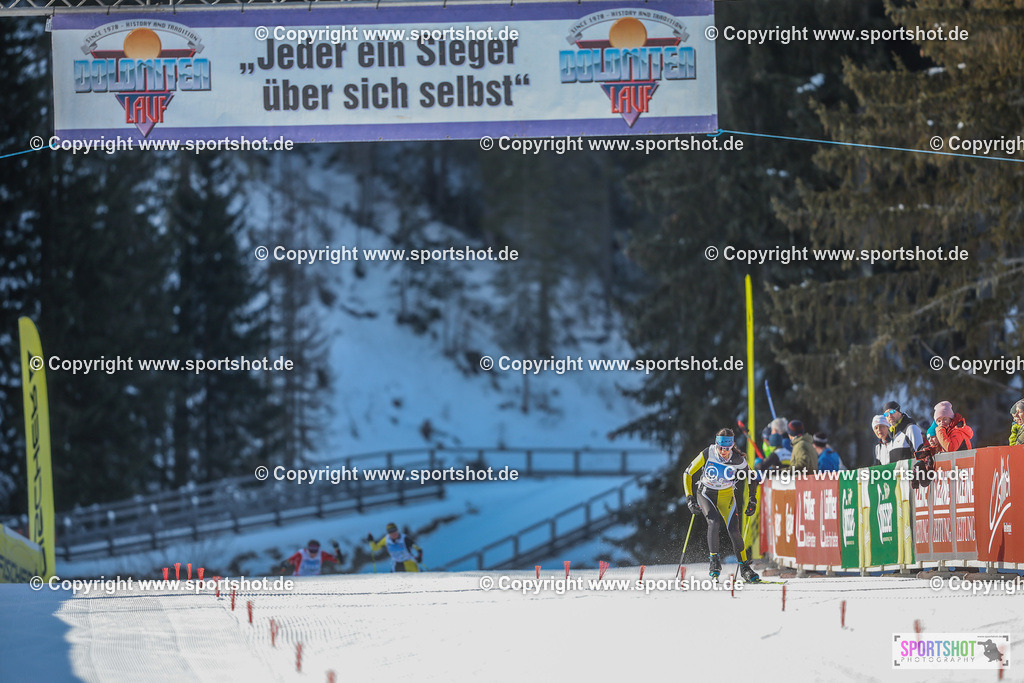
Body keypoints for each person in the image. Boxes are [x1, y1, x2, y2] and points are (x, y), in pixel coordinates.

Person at [683, 428, 760, 582]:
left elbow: (752, 477)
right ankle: (714, 562)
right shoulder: (708, 453)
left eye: (727, 448)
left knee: (734, 530)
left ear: (732, 447)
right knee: (714, 522)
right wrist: (689, 498)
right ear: (716, 444)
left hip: (726, 495)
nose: (723, 452)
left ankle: (745, 568)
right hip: (706, 493)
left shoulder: (738, 459)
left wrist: (753, 499)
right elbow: (687, 473)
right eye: (720, 448)